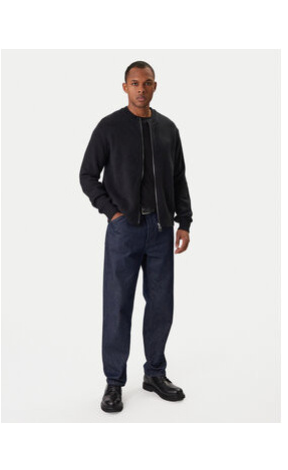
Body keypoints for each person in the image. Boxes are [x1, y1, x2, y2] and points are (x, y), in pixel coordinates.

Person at [79, 60, 193, 413]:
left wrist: (184, 222)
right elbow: (87, 175)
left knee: (161, 305)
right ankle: (114, 382)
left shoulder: (168, 129)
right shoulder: (109, 127)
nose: (141, 89)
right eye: (134, 83)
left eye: (147, 83)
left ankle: (154, 373)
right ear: (125, 87)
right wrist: (112, 212)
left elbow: (179, 178)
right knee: (117, 306)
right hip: (124, 230)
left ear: (154, 86)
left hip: (161, 230)